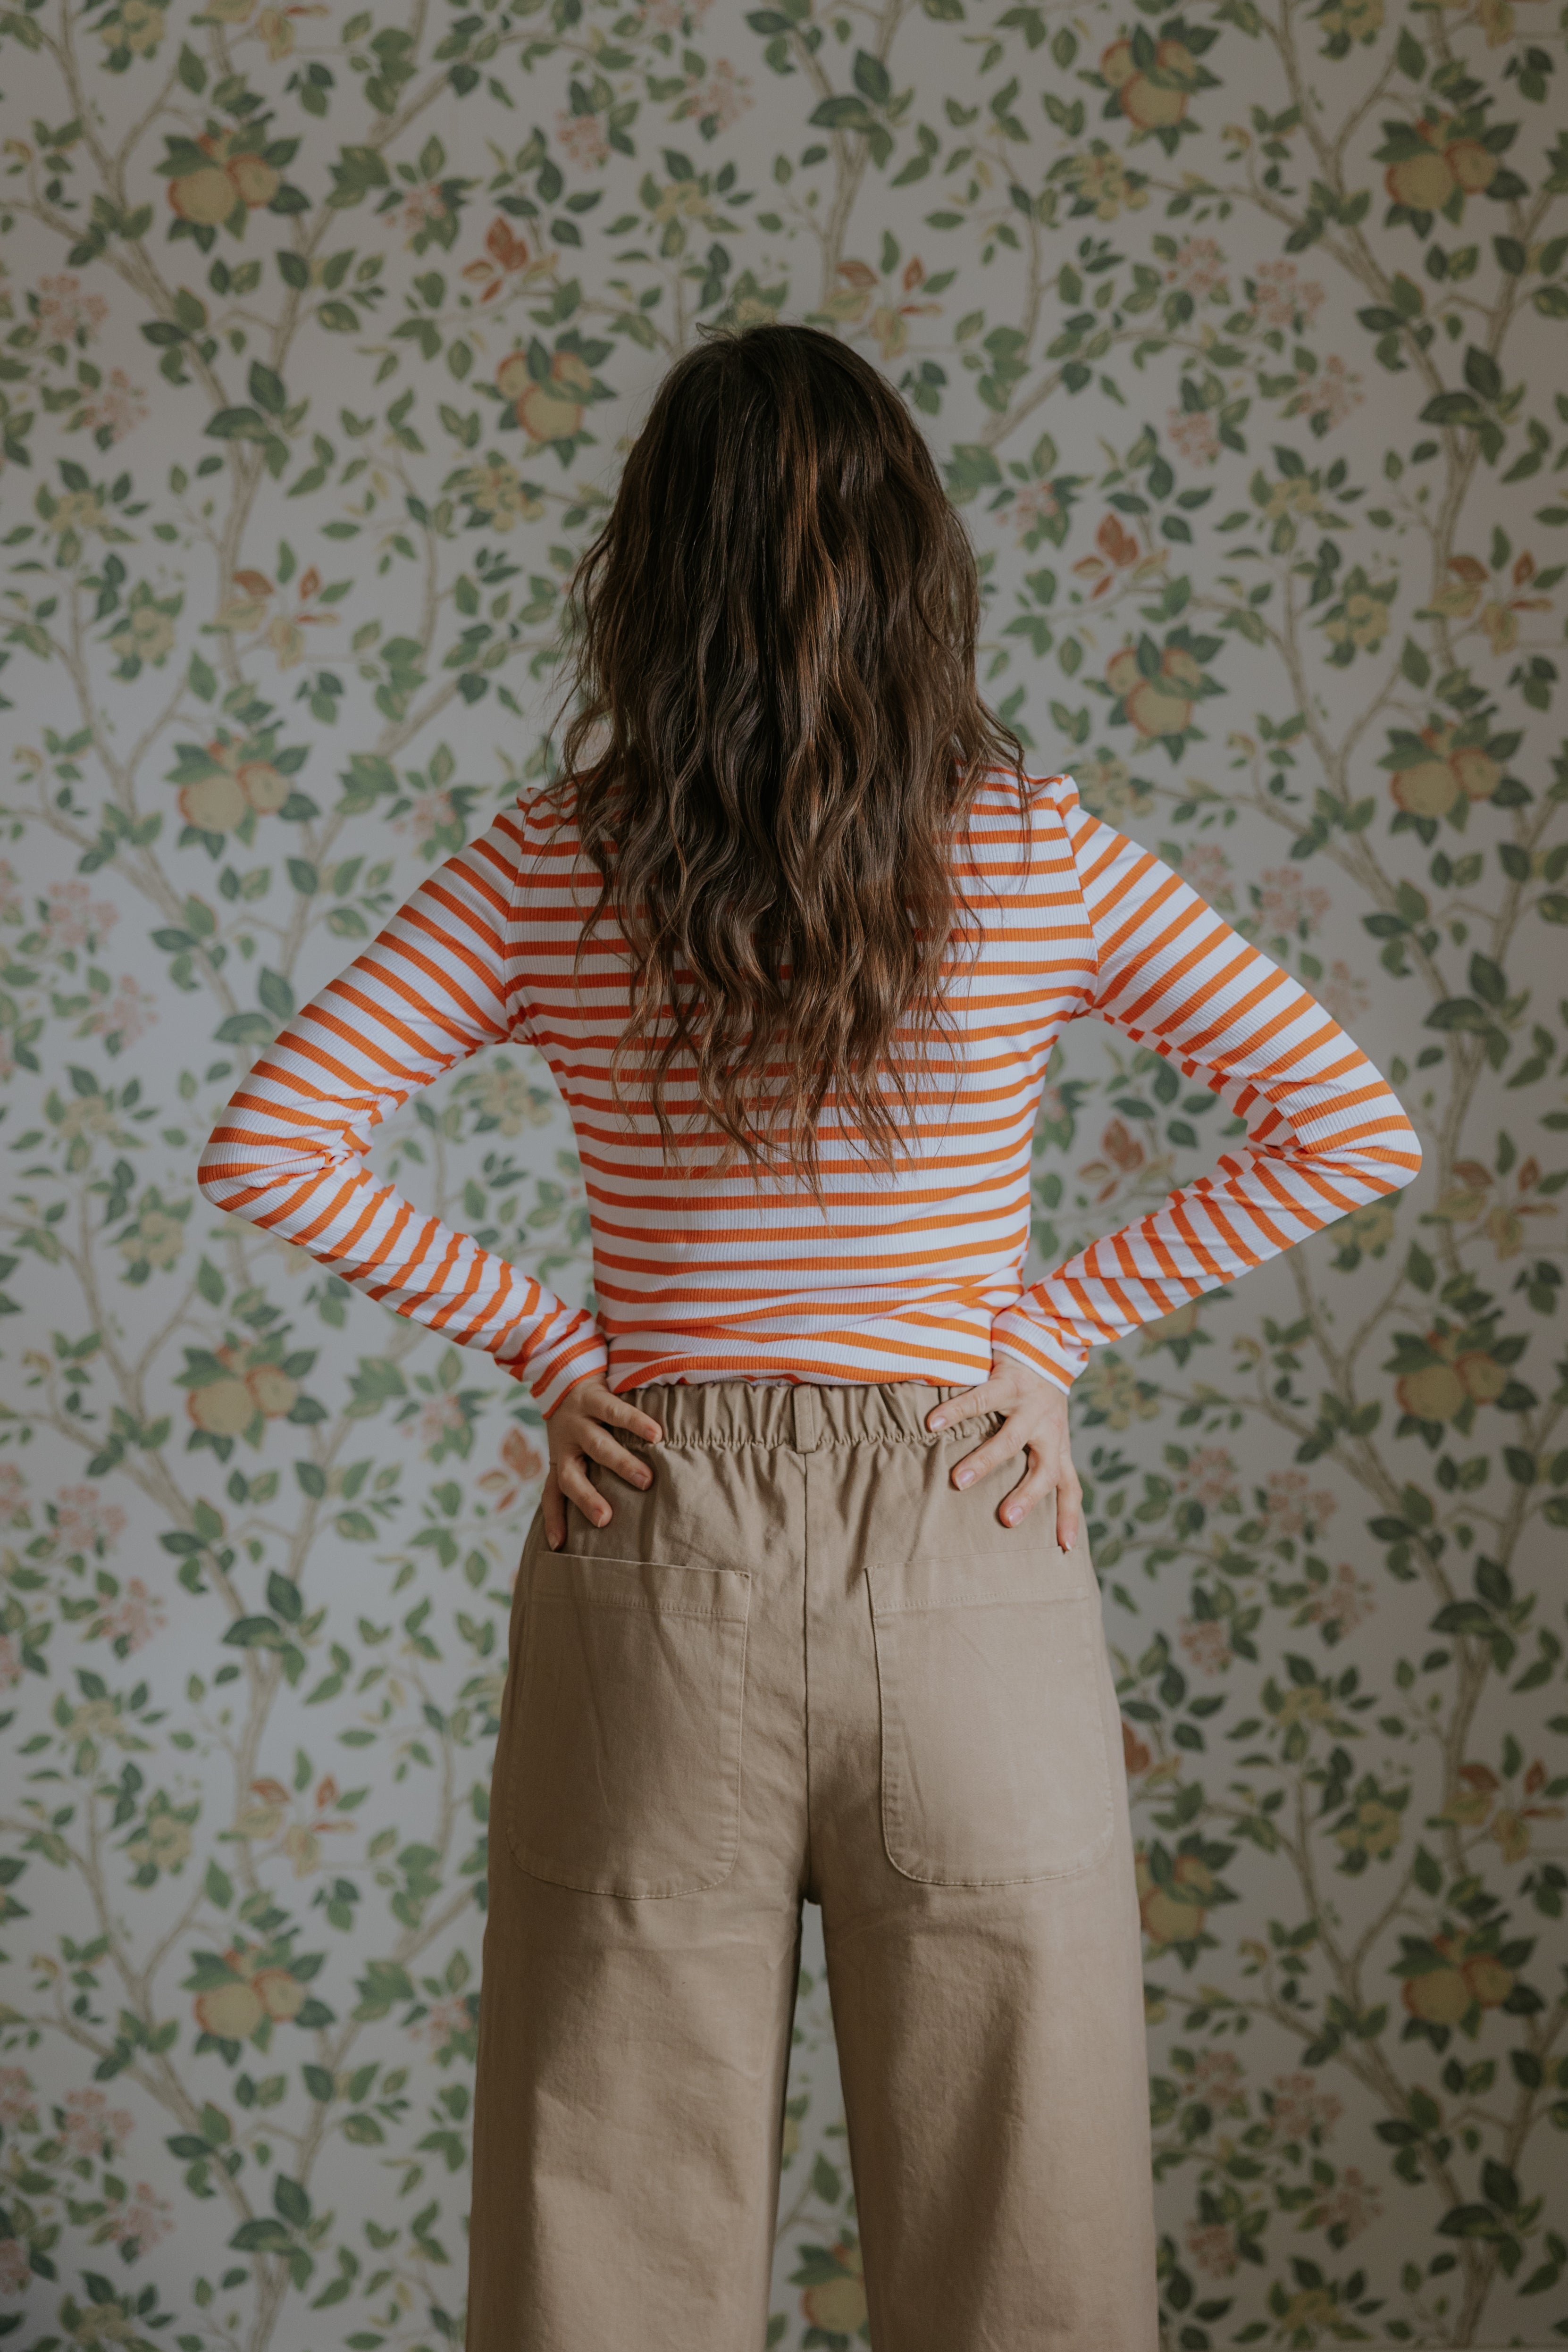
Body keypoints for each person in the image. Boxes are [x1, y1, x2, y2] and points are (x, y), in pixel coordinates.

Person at [196, 319, 1421, 2352]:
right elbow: (1348, 1116)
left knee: (610, 2206)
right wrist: (1053, 1334)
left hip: (656, 1520)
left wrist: (551, 1346)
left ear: (646, 580)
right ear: (921, 568)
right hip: (964, 1512)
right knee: (1022, 2193)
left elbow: (276, 1137)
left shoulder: (558, 859)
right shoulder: (1033, 846)